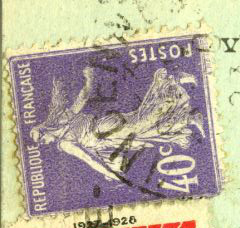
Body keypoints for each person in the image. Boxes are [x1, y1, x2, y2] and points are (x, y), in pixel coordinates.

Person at [30, 66, 204, 184]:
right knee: (145, 128)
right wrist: (89, 79)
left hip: (103, 132)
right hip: (104, 130)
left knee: (142, 125)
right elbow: (82, 98)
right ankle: (186, 110)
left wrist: (110, 174)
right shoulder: (63, 119)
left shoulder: (64, 143)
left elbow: (88, 159)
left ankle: (173, 87)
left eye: (42, 139)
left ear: (45, 130)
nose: (44, 143)